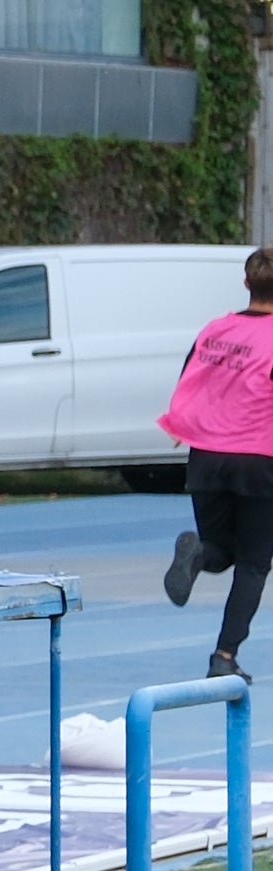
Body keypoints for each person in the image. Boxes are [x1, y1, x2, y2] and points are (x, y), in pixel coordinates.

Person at [159, 247, 273, 681]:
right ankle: (224, 656)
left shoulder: (216, 330)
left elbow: (192, 378)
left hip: (205, 456)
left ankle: (198, 553)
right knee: (254, 563)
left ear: (247, 284)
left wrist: (180, 422)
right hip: (258, 458)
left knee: (222, 551)